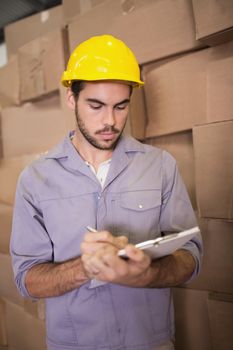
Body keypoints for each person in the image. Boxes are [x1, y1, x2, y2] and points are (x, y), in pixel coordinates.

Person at [10, 34, 202, 350]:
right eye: (96, 106)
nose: (110, 121)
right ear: (71, 98)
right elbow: (27, 279)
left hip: (148, 342)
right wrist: (85, 267)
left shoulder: (161, 166)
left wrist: (146, 274)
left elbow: (191, 258)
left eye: (121, 106)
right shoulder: (35, 180)